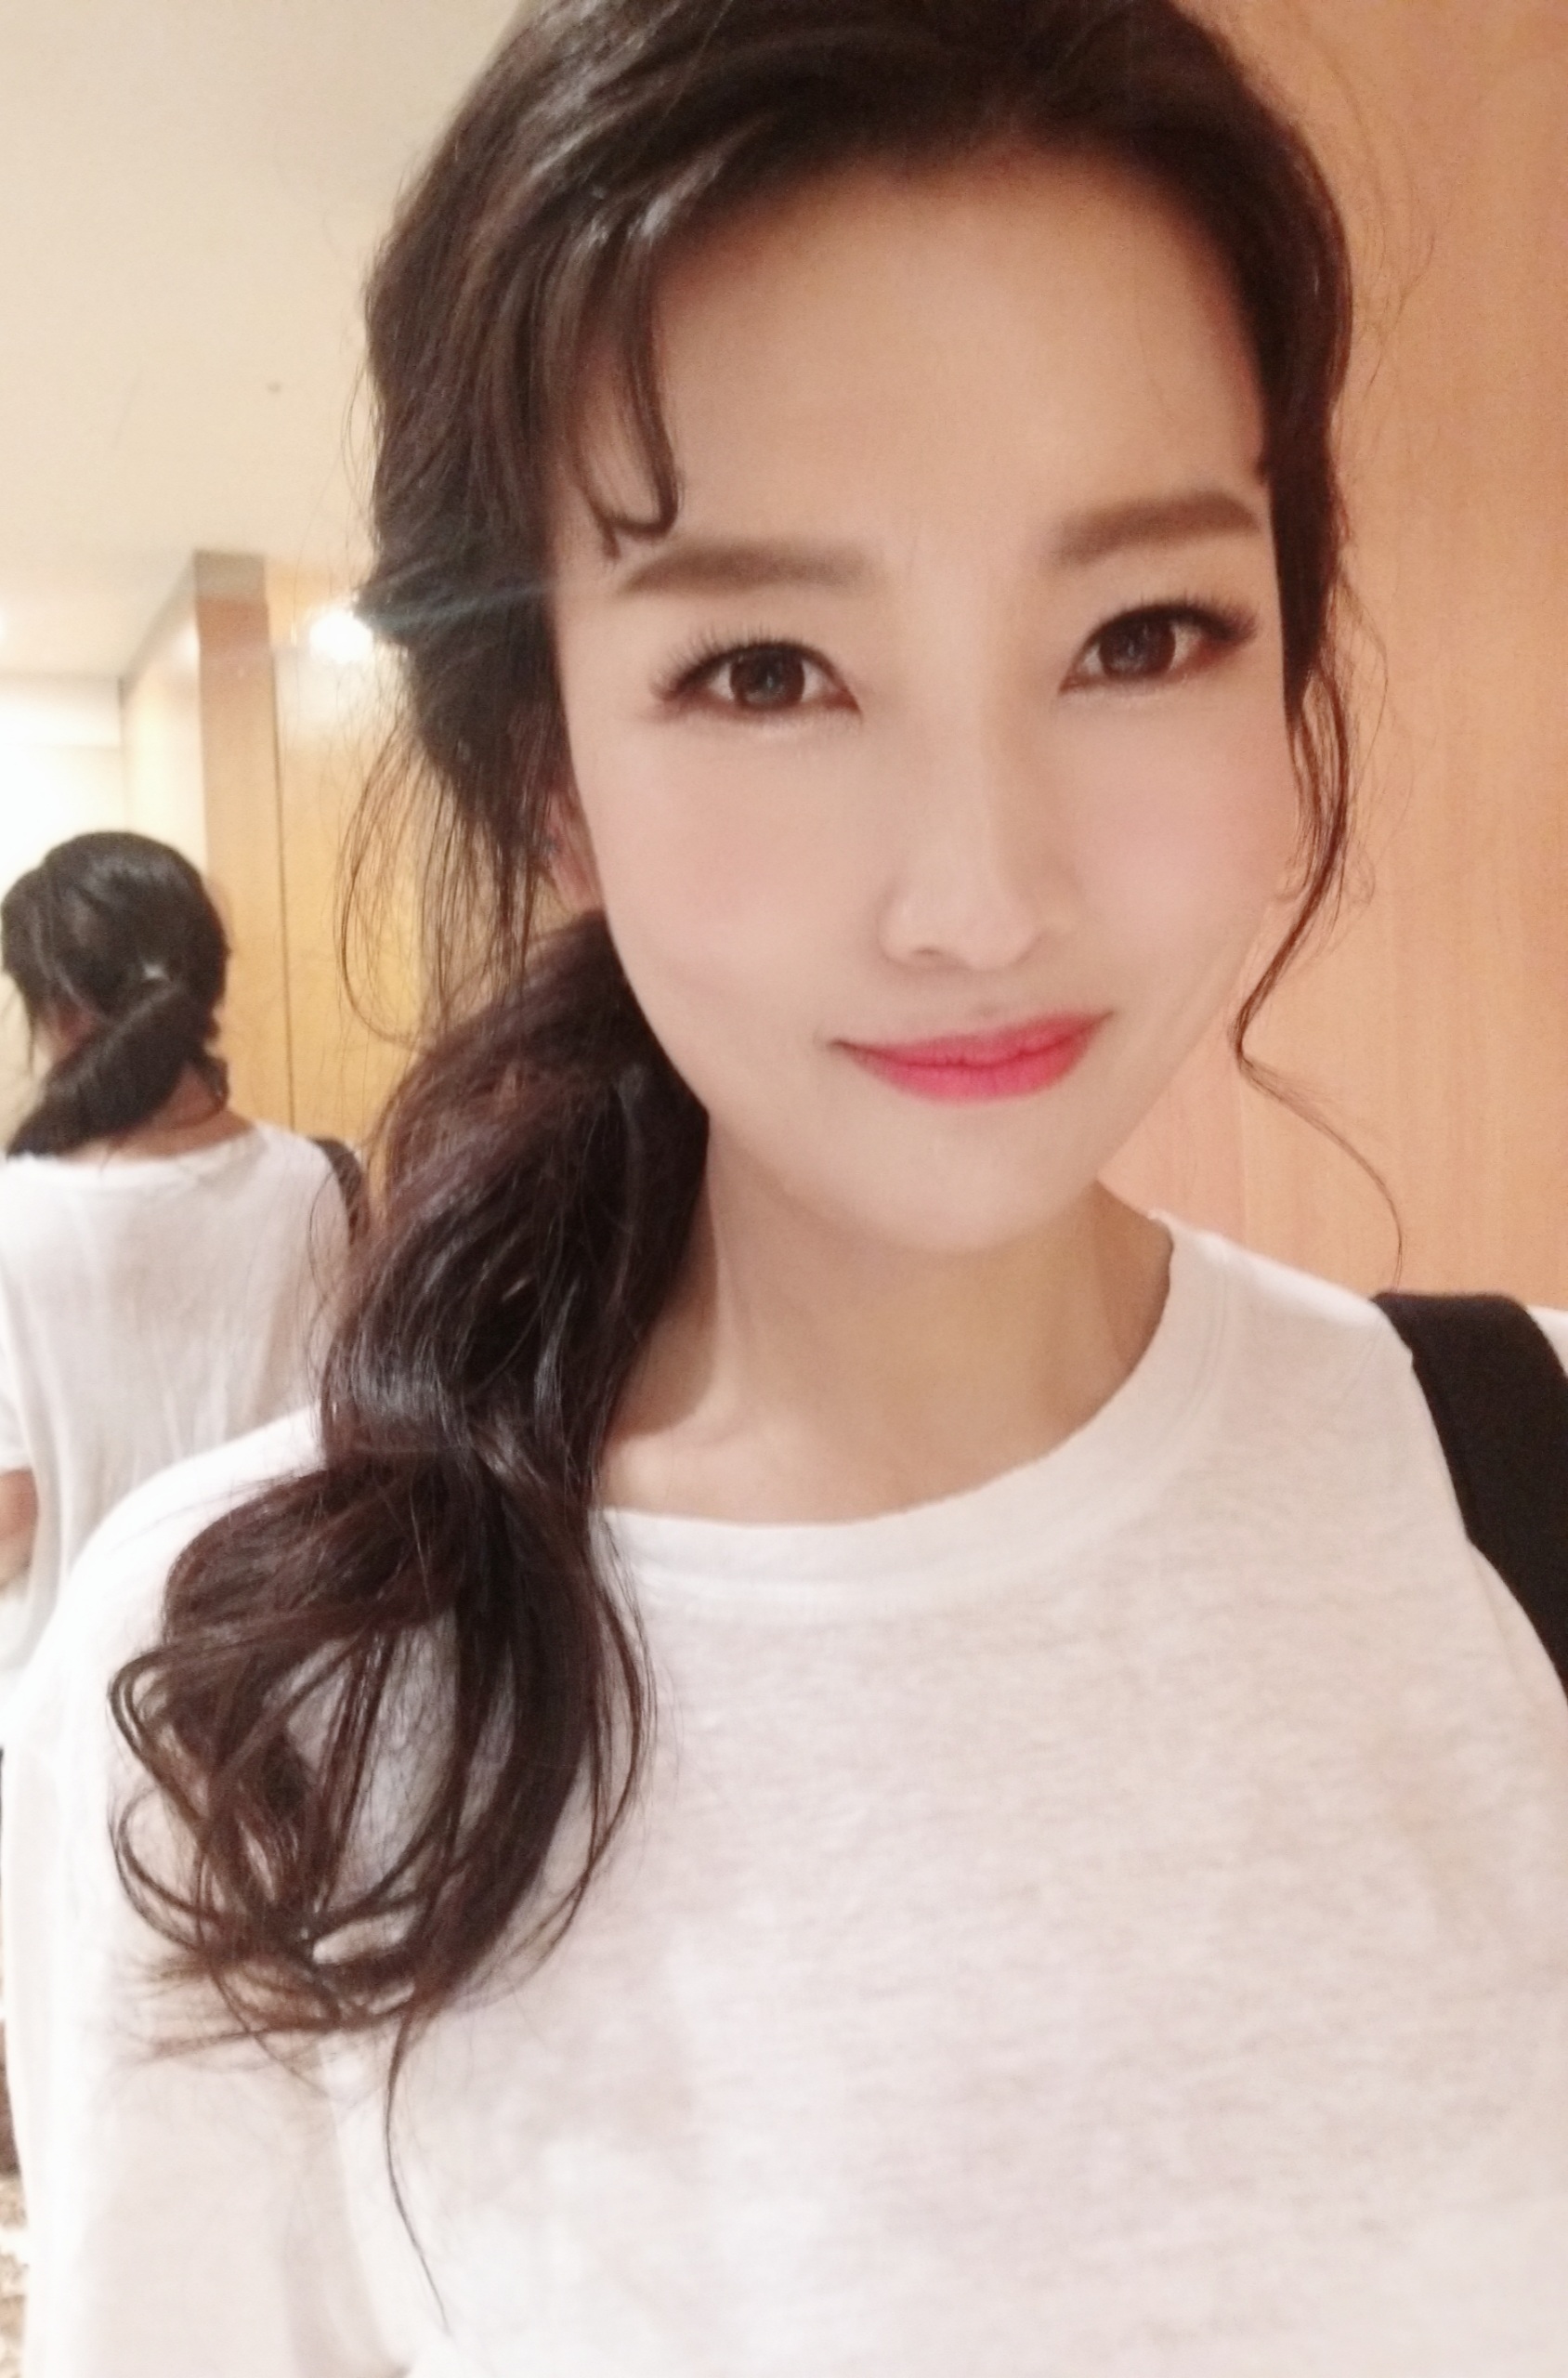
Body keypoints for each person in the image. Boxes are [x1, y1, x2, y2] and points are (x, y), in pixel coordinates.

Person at [7, 2, 1568, 2370]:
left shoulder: (1511, 1479)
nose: (978, 895)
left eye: (1139, 634)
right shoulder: (252, 1694)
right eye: (763, 670)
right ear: (546, 764)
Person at [0, 830, 352, 1744]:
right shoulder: (321, 1182)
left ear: (61, 1013)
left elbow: (11, 1510)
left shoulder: (14, 1213)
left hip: (72, 1718)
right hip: (271, 1704)